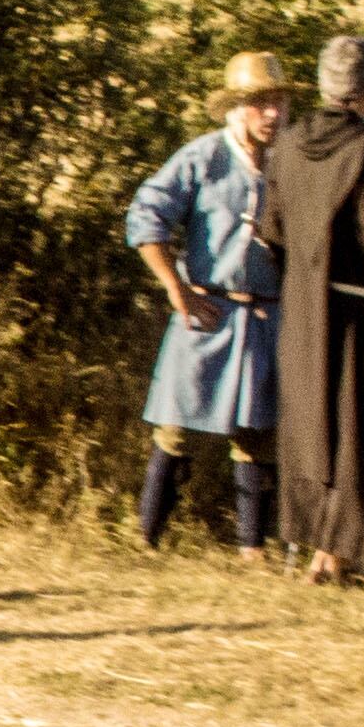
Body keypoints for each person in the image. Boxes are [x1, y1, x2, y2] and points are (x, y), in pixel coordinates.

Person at [255, 34, 364, 583]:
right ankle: (341, 554)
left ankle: (322, 554)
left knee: (313, 426)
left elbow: (271, 228)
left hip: (305, 309)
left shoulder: (288, 143)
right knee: (357, 429)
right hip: (360, 315)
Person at [124, 50, 287, 557]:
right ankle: (149, 542)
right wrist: (177, 288)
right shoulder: (203, 157)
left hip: (267, 316)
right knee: (175, 430)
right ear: (236, 108)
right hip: (207, 313)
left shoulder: (293, 163)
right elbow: (146, 215)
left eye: (279, 102)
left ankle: (252, 550)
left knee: (258, 436)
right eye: (261, 104)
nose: (273, 115)